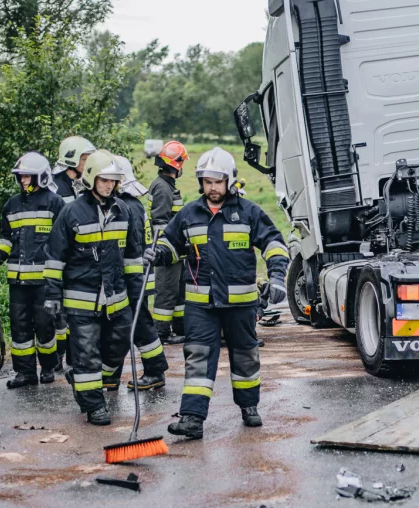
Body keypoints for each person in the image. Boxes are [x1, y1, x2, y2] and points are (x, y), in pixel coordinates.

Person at [144, 147, 289, 440]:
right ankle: (192, 418)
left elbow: (274, 243)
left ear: (229, 181)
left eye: (218, 182)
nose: (212, 188)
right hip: (201, 306)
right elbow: (172, 244)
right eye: (207, 182)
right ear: (201, 182)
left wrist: (277, 277)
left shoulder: (249, 212)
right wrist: (158, 254)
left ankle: (249, 407)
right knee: (198, 357)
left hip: (241, 305)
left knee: (246, 356)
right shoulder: (188, 214)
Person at [44, 150, 140, 426]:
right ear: (91, 179)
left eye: (113, 180)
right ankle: (94, 405)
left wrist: (137, 293)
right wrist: (52, 295)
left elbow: (132, 257)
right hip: (82, 300)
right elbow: (55, 258)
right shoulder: (71, 212)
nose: (109, 185)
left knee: (120, 344)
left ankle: (90, 379)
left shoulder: (124, 210)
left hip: (117, 299)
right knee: (86, 353)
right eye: (104, 180)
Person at [0, 152, 66, 388]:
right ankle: (25, 373)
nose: (23, 180)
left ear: (41, 177)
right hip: (17, 282)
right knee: (19, 327)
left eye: (28, 176)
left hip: (45, 281)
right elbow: (6, 238)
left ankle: (48, 366)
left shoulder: (55, 203)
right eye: (21, 177)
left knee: (45, 325)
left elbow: (63, 241)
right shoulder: (11, 205)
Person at [105, 155, 169, 391]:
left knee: (138, 325)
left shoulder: (126, 207)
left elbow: (128, 249)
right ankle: (111, 375)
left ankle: (155, 371)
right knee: (125, 324)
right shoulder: (132, 203)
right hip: (138, 275)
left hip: (133, 277)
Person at [51, 135, 96, 364]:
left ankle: (68, 356)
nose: (88, 163)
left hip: (74, 260)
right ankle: (60, 358)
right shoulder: (57, 188)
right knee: (59, 316)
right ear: (72, 159)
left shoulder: (74, 185)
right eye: (85, 158)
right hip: (61, 260)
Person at [148, 141, 189, 345]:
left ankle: (180, 328)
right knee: (165, 291)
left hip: (176, 250)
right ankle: (161, 333)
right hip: (167, 250)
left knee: (178, 291)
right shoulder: (163, 188)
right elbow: (160, 223)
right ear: (177, 164)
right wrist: (168, 246)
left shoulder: (167, 185)